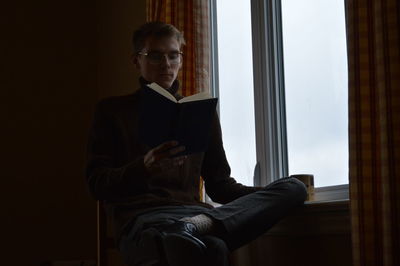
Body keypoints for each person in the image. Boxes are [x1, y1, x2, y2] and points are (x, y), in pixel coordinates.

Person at [86, 21, 307, 266]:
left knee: (294, 188)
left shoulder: (199, 113)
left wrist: (267, 195)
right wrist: (144, 166)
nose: (167, 65)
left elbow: (220, 186)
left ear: (181, 59)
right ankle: (182, 231)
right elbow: (97, 185)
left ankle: (188, 227)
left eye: (173, 56)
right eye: (156, 56)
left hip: (194, 217)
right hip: (143, 221)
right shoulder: (112, 111)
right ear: (136, 60)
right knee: (213, 247)